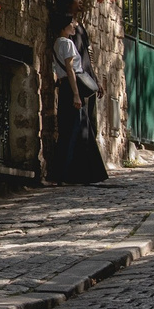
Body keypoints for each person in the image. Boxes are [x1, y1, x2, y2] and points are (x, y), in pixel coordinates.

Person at [52, 12, 109, 184]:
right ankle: (75, 174)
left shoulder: (57, 43)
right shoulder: (67, 43)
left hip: (64, 88)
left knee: (68, 130)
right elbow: (71, 70)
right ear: (64, 26)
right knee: (78, 130)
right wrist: (76, 95)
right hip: (71, 88)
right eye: (72, 23)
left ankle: (63, 174)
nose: (75, 25)